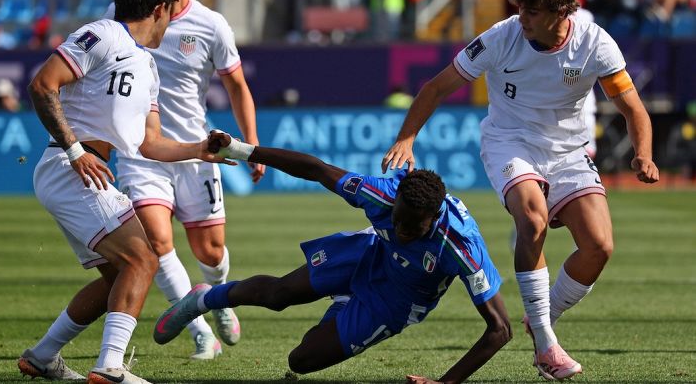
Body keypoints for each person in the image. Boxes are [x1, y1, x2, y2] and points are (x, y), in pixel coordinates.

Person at [382, 0, 659, 381]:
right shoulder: (501, 37)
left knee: (599, 246)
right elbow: (437, 86)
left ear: (563, 11)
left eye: (533, 11)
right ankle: (545, 342)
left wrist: (644, 154)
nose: (523, 17)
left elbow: (633, 107)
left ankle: (541, 314)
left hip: (569, 151)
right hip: (510, 141)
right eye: (522, 8)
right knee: (532, 220)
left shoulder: (595, 44)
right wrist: (407, 137)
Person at [153, 132, 511, 382]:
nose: (401, 229)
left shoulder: (460, 244)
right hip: (368, 252)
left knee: (301, 360)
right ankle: (203, 299)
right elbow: (316, 169)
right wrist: (240, 150)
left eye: (411, 228)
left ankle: (344, 301)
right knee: (278, 295)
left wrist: (445, 382)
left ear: (433, 220)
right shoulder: (384, 194)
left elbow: (500, 330)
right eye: (397, 219)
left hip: (394, 301)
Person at [17, 0, 230, 384]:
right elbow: (43, 86)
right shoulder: (104, 34)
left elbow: (150, 144)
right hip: (70, 168)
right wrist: (76, 150)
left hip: (84, 174)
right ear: (158, 9)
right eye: (170, 13)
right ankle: (111, 366)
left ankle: (42, 356)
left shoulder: (148, 67)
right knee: (144, 258)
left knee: (118, 274)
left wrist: (199, 149)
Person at [103, 0, 265, 360]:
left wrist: (252, 145)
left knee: (209, 251)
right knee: (156, 242)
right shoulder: (122, 14)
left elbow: (237, 85)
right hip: (141, 151)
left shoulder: (211, 25)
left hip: (196, 151)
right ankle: (199, 333)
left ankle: (220, 298)